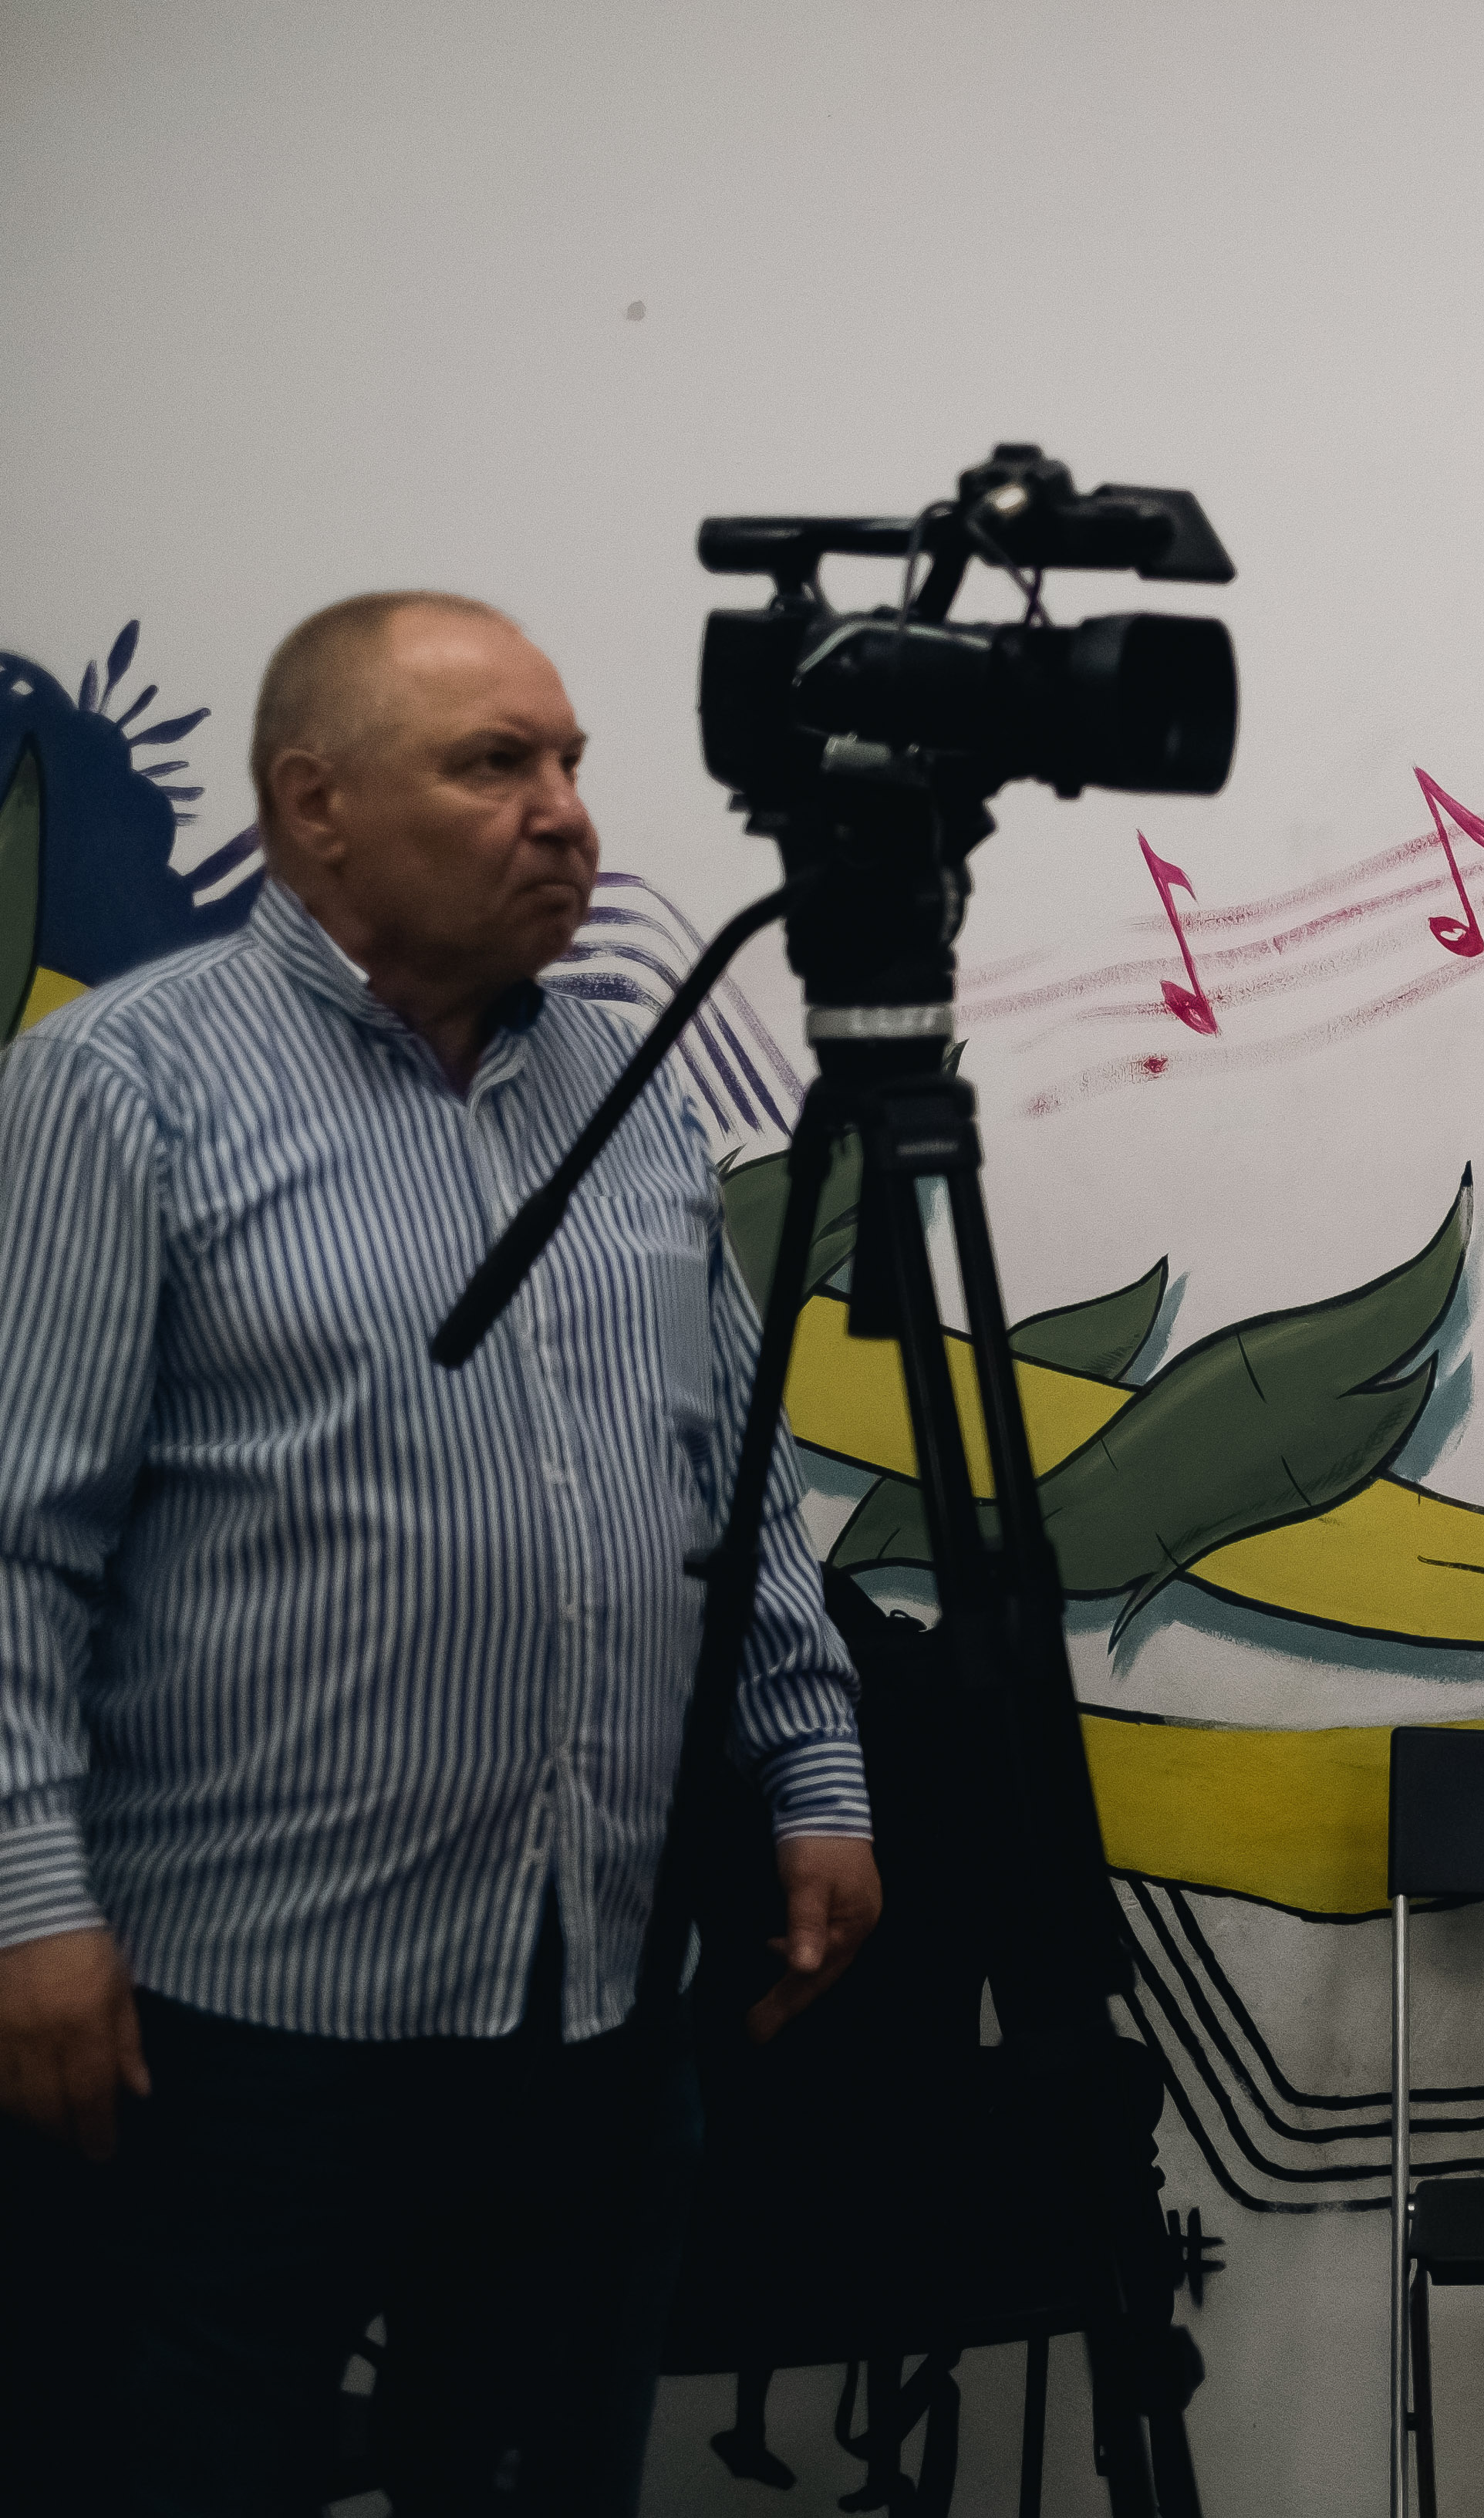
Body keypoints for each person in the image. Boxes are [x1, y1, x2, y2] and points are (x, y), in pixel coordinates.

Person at [0, 591, 881, 2513]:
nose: (565, 811)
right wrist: (24, 1903)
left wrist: (814, 1772)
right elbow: (17, 1540)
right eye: (496, 764)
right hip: (239, 2031)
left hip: (591, 2007)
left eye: (569, 762)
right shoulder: (123, 1085)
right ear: (315, 805)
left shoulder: (626, 1093)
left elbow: (728, 1468)